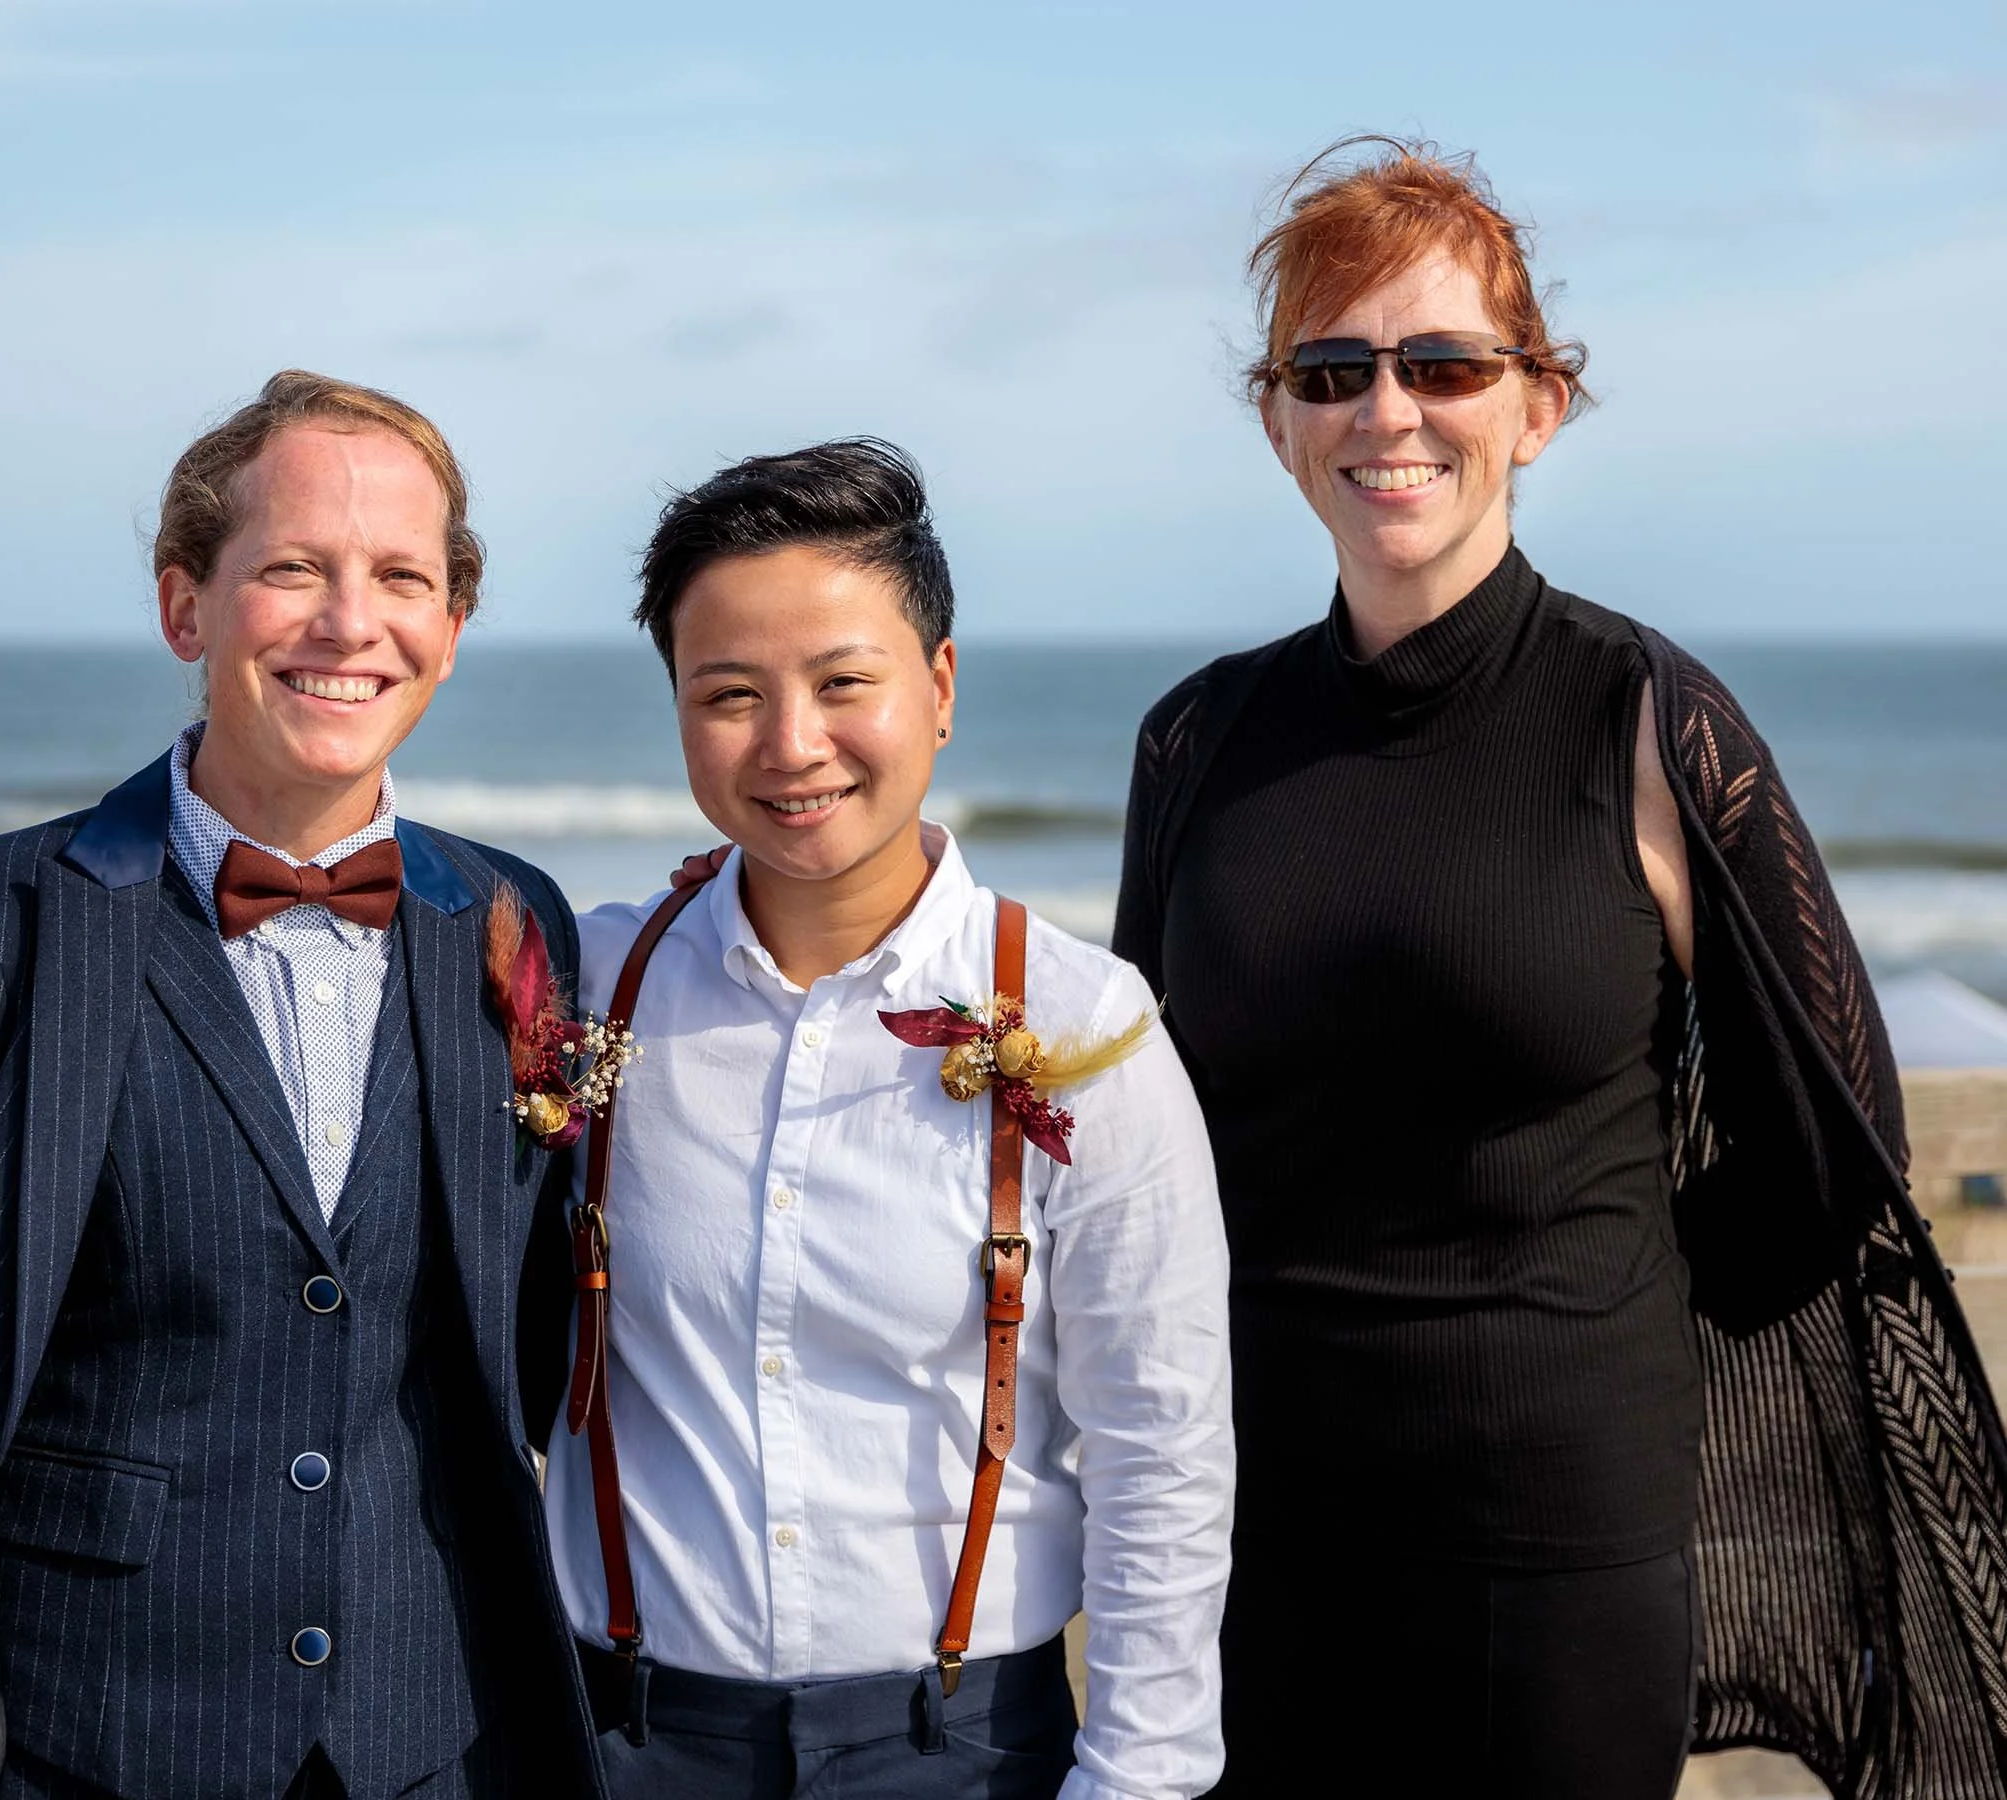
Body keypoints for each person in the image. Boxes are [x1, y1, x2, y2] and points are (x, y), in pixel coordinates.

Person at [1113, 138, 2007, 1798]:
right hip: (1258, 1542)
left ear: (1538, 407)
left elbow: (1833, 1143)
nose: (1389, 410)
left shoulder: (1648, 718)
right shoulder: (1199, 738)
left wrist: (1604, 1316)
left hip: (1559, 1555)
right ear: (1279, 424)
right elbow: (1146, 1138)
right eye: (1334, 369)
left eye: (1444, 363)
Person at [0, 371, 605, 1800]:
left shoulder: (511, 918)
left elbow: (532, 1344)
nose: (350, 623)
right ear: (186, 606)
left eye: (400, 577)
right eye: (292, 568)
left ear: (453, 630)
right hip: (88, 1742)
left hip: (437, 1741)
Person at [542, 439, 1232, 1800]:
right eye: (728, 694)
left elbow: (1162, 1450)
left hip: (964, 1752)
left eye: (843, 682)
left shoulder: (1093, 1032)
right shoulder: (582, 993)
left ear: (941, 686)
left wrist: (1139, 1779)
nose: (792, 745)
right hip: (621, 1744)